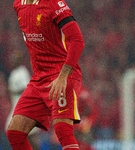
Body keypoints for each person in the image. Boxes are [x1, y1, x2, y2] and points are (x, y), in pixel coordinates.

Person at [6, 0, 85, 149]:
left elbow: (77, 40)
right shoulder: (18, 4)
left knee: (62, 129)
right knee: (15, 132)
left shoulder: (54, 3)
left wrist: (63, 76)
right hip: (38, 79)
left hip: (61, 74)